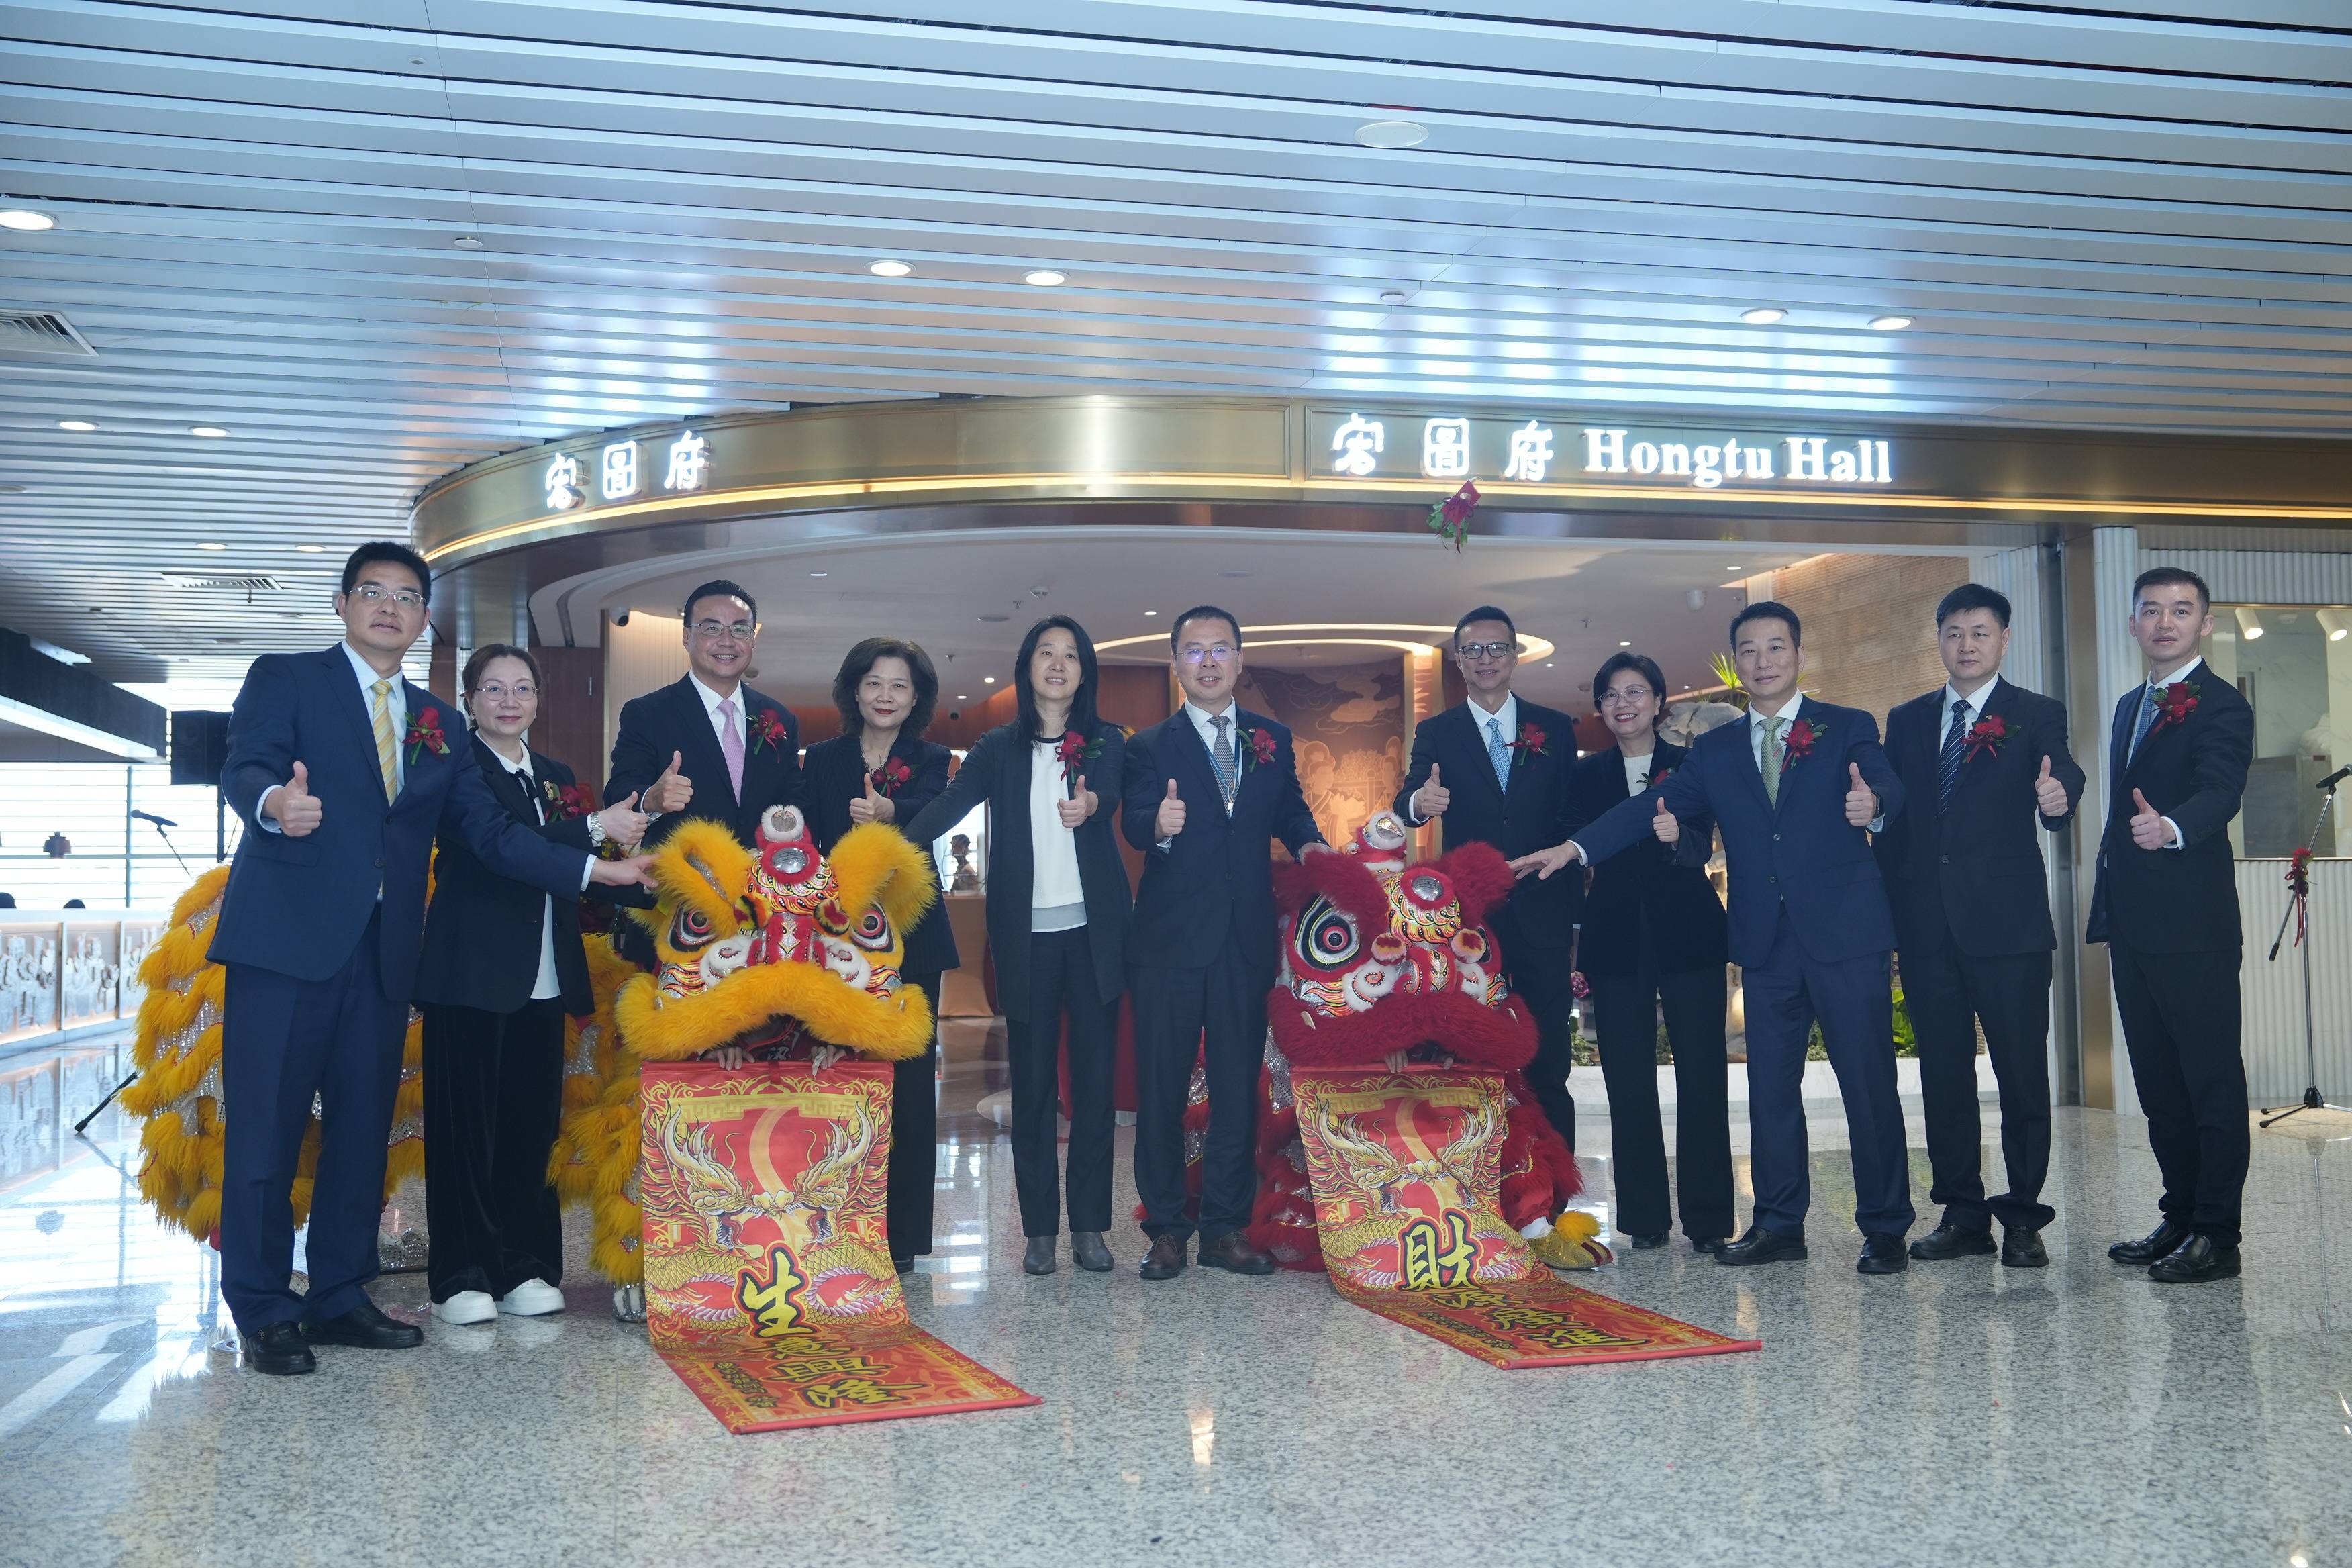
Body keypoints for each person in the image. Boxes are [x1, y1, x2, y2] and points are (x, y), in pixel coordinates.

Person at [211, 544, 651, 1375]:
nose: (390, 606)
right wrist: (273, 802)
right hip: (285, 944)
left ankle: (339, 1291)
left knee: (360, 1133)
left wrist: (598, 870)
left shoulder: (439, 722)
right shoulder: (288, 678)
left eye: (408, 596)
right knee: (267, 1131)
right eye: (372, 591)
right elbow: (247, 764)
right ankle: (264, 1305)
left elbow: (489, 833)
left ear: (423, 619)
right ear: (342, 604)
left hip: (386, 953)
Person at [1520, 601, 1915, 1275]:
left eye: (1775, 647)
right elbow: (1643, 810)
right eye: (1749, 650)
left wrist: (1874, 804)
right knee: (1769, 1090)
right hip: (1764, 942)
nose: (1763, 661)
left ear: (1797, 654)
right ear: (1739, 660)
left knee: (1868, 1083)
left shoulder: (1846, 725)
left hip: (1845, 934)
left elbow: (1884, 783)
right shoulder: (1717, 750)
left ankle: (1884, 1226)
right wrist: (1574, 849)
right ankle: (1779, 1222)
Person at [411, 644, 647, 1325]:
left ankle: (527, 1265)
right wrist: (596, 829)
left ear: (539, 699)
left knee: (530, 1127)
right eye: (493, 688)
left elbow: (574, 857)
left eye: (522, 687)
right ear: (469, 700)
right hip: (471, 972)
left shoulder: (553, 774)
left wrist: (642, 846)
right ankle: (461, 1275)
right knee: (465, 1132)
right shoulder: (454, 764)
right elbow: (501, 842)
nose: (509, 700)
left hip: (544, 972)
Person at [903, 617, 1128, 1277]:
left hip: (1094, 936)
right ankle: (1039, 1231)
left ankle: (1089, 1226)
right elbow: (951, 804)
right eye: (1045, 653)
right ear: (1027, 666)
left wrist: (1092, 806)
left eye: (1070, 655)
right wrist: (889, 840)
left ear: (1084, 672)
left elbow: (1111, 792)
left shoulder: (1106, 740)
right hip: (1025, 938)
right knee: (1030, 1087)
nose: (1057, 664)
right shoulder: (998, 747)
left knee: (1093, 1087)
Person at [1874, 585, 2084, 1270]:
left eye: (1980, 632)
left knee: (2021, 1075)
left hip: (2008, 929)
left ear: (2004, 639)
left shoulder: (2034, 712)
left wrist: (2058, 797)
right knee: (1944, 1077)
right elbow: (1895, 815)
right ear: (1939, 639)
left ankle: (2022, 1216)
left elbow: (2062, 772)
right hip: (1926, 929)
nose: (1966, 645)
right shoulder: (1907, 719)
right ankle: (1962, 1213)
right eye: (1954, 632)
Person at [1122, 605, 1326, 1283]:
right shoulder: (1150, 745)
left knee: (1239, 1089)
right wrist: (1159, 823)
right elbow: (1133, 820)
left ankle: (1225, 1230)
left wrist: (1311, 845)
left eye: (1219, 649)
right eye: (1193, 650)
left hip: (1244, 941)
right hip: (1169, 943)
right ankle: (1165, 1229)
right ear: (1175, 663)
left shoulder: (1272, 738)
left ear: (1240, 660)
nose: (1207, 662)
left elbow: (1290, 808)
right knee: (1162, 1088)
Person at [2088, 567, 2252, 1284]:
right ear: (2133, 624)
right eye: (2151, 611)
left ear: (2204, 624)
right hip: (2134, 926)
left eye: (2181, 611)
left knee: (2210, 1082)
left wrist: (2174, 828)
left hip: (2194, 928)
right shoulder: (2131, 704)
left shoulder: (2223, 704)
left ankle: (2218, 1234)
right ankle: (2180, 1215)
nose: (2164, 622)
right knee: (2159, 1085)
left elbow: (2222, 789)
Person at [1394, 606, 1586, 1148]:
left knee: (1549, 1059)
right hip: (1473, 923)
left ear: (1515, 656)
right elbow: (1407, 799)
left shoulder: (1553, 728)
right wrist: (1421, 801)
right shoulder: (1438, 731)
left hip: (1543, 913)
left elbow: (1572, 814)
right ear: (1458, 660)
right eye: (1473, 650)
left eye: (1497, 648)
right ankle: (1480, 1177)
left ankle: (1556, 1183)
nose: (1486, 659)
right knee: (1472, 1055)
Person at [802, 637, 961, 1273]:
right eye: (874, 683)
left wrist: (890, 811)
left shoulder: (933, 759)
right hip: (837, 939)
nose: (886, 695)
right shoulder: (823, 760)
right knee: (839, 1077)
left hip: (913, 938)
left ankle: (901, 1239)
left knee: (911, 1090)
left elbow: (933, 813)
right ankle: (837, 1226)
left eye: (899, 685)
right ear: (854, 690)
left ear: (916, 698)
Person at [1567, 652, 1732, 1253]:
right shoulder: (1585, 776)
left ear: (1659, 702)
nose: (1624, 704)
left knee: (1703, 1074)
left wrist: (1678, 836)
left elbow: (1703, 847)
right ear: (1600, 708)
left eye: (1636, 692)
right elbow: (1579, 850)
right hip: (1616, 937)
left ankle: (1709, 1219)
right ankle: (1643, 1218)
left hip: (1690, 933)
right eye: (1611, 695)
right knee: (1627, 1078)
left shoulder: (1692, 765)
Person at [604, 579, 804, 963]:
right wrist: (652, 799)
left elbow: (795, 799)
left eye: (740, 629)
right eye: (711, 628)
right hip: (679, 910)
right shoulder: (648, 714)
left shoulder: (778, 718)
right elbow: (618, 792)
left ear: (752, 639)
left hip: (760, 914)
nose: (727, 640)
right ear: (687, 637)